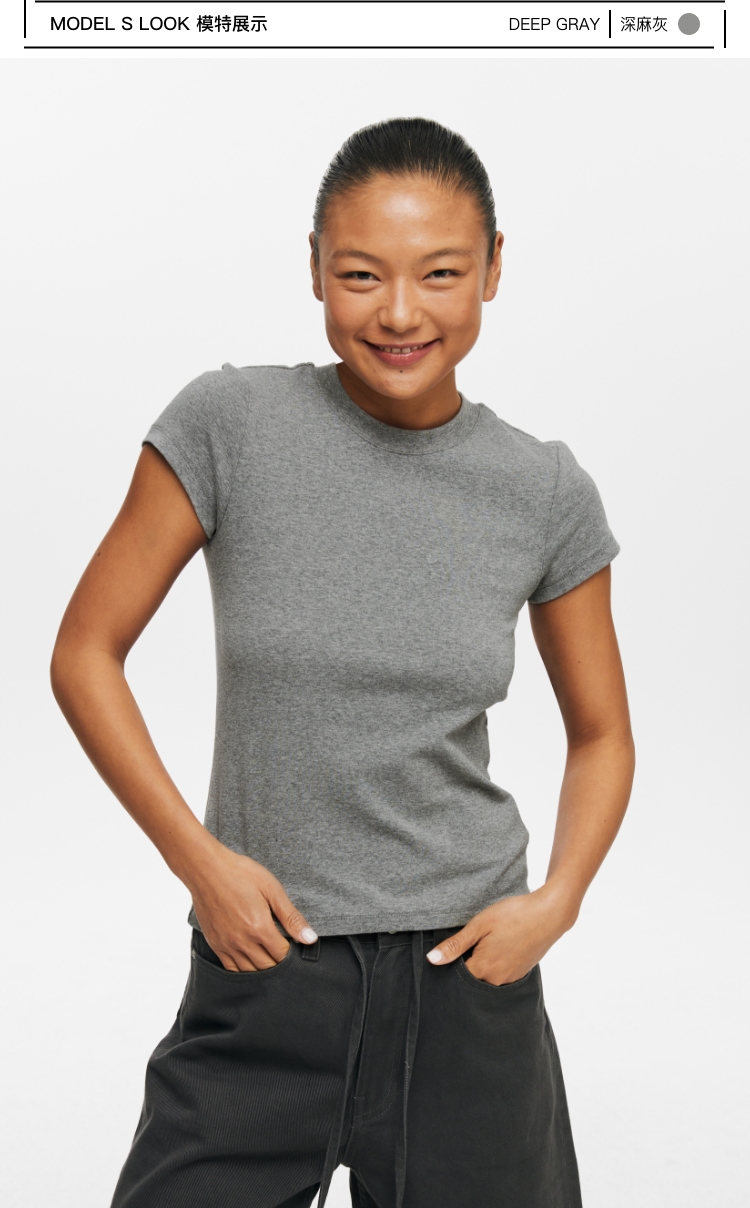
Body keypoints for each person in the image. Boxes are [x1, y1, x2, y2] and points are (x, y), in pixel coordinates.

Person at [51, 117, 635, 1208]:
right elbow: (86, 652)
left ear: (494, 267)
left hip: (468, 983)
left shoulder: (543, 489)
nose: (400, 313)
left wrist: (558, 900)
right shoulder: (230, 425)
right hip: (268, 966)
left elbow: (602, 732)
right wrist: (201, 863)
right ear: (315, 267)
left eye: (441, 273)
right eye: (362, 274)